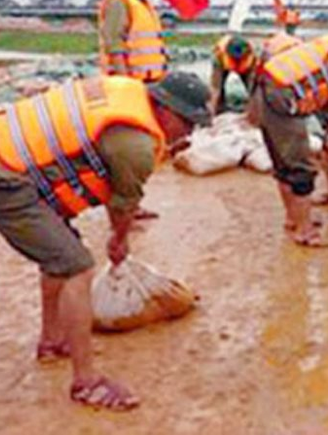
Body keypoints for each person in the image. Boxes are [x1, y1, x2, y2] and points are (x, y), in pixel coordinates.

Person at [0, 72, 210, 411]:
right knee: (77, 268)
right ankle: (86, 382)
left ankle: (52, 340)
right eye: (189, 125)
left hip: (15, 161)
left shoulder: (127, 92)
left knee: (62, 251)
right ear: (168, 112)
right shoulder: (136, 143)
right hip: (8, 178)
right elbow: (123, 204)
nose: (189, 134)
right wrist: (119, 241)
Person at [253, 32, 328, 245]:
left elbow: (320, 97)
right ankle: (304, 231)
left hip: (265, 97)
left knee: (283, 165)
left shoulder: (325, 56)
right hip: (282, 103)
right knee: (301, 170)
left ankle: (294, 218)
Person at [97, 0, 168, 83]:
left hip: (150, 80)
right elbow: (114, 44)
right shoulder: (119, 3)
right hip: (130, 82)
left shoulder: (145, 6)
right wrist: (125, 82)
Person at [209, 34, 257, 114]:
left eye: (239, 57)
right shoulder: (219, 55)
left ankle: (253, 111)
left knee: (253, 89)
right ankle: (217, 110)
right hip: (222, 65)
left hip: (246, 68)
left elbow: (252, 84)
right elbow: (215, 88)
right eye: (234, 57)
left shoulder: (252, 56)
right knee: (217, 90)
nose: (237, 59)